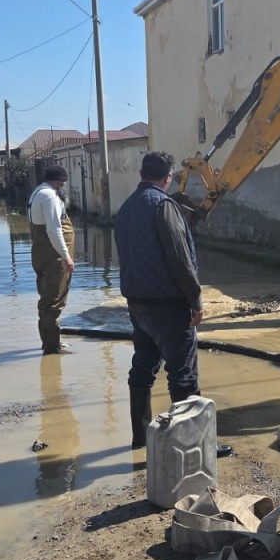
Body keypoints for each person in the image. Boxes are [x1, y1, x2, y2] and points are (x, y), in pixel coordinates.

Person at [114, 151, 204, 449]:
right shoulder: (164, 205)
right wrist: (195, 298)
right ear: (168, 178)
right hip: (169, 306)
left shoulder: (126, 208)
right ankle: (190, 446)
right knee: (183, 377)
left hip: (138, 306)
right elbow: (180, 258)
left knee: (143, 368)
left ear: (141, 173)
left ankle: (141, 439)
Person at [28, 166, 76, 355]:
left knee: (47, 299)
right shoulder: (49, 196)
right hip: (53, 257)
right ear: (58, 181)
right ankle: (52, 347)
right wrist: (66, 257)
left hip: (41, 254)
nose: (62, 186)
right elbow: (54, 230)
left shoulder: (36, 193)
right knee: (54, 302)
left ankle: (50, 342)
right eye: (62, 183)